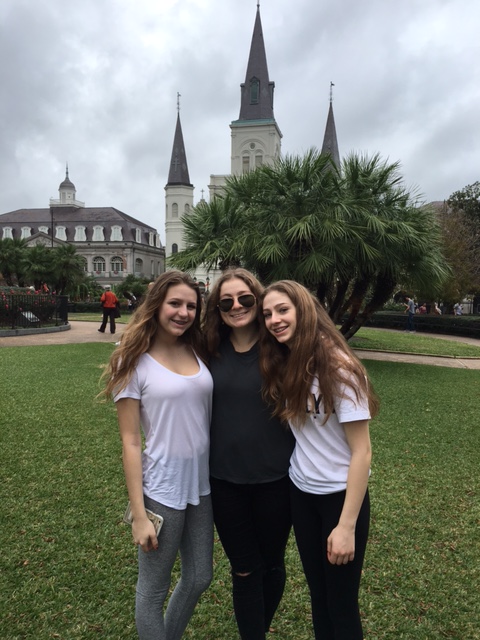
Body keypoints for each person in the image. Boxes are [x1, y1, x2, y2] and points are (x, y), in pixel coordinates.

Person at [259, 281, 379, 640]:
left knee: (341, 603)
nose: (274, 320)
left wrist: (345, 526)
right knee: (318, 596)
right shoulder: (285, 362)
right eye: (267, 313)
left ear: (304, 310)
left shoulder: (339, 367)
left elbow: (363, 452)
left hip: (339, 499)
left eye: (283, 310)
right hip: (301, 492)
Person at [102, 271, 214, 640]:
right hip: (161, 489)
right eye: (175, 304)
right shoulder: (132, 361)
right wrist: (138, 514)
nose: (183, 312)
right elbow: (131, 441)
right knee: (153, 589)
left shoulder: (197, 348)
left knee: (200, 576)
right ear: (156, 306)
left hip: (201, 485)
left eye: (191, 306)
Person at [203, 268, 295, 640]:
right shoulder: (206, 348)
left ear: (258, 301)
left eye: (245, 299)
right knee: (243, 569)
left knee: (271, 565)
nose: (237, 306)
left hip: (278, 480)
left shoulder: (282, 348)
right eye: (226, 302)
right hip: (224, 481)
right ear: (218, 308)